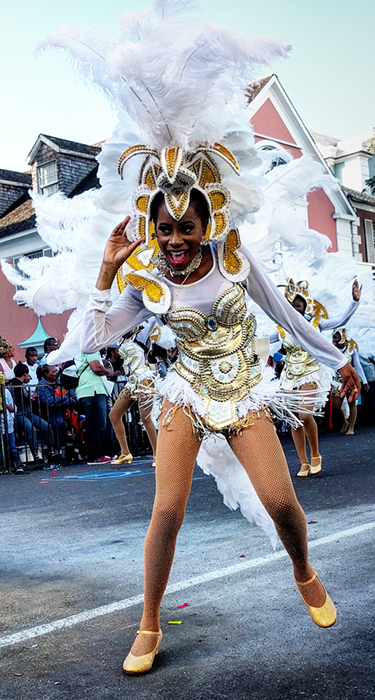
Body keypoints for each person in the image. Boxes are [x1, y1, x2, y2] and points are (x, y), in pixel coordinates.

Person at [83, 178, 359, 672]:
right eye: (164, 228)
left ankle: (302, 569)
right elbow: (91, 339)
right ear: (152, 227)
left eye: (186, 227)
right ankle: (149, 621)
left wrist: (338, 361)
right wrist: (107, 270)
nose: (174, 240)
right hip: (185, 395)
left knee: (281, 502)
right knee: (167, 510)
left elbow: (285, 317)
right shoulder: (146, 279)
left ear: (206, 225)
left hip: (243, 392)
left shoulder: (234, 260)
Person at [270, 279, 361, 475]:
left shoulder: (316, 323)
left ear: (305, 305)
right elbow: (258, 339)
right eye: (291, 304)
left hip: (311, 372)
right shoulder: (282, 327)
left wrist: (354, 302)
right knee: (294, 419)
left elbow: (341, 321)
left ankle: (316, 454)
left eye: (298, 304)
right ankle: (303, 462)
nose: (294, 308)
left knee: (305, 414)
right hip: (289, 376)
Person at [109, 327, 158, 466]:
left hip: (144, 379)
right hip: (131, 382)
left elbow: (153, 316)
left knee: (145, 417)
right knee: (114, 415)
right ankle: (125, 452)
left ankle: (158, 455)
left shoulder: (142, 334)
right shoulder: (120, 338)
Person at [76, 350, 117, 465]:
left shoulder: (88, 350)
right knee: (96, 424)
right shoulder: (90, 348)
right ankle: (95, 455)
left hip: (96, 389)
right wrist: (109, 372)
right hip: (92, 390)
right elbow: (95, 367)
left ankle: (108, 452)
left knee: (104, 423)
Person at [9, 363, 53, 462]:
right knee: (31, 429)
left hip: (27, 412)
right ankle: (36, 454)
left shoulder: (19, 384)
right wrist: (31, 397)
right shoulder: (16, 385)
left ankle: (50, 450)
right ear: (24, 374)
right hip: (19, 414)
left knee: (46, 426)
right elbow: (23, 398)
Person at [331, 329, 368, 436]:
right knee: (336, 406)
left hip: (351, 381)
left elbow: (358, 365)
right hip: (337, 382)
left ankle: (351, 427)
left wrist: (364, 380)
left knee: (352, 404)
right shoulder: (331, 350)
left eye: (336, 337)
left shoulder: (351, 349)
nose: (334, 339)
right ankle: (344, 422)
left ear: (343, 337)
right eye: (333, 337)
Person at [35, 364, 76, 453]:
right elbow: (48, 401)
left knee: (81, 420)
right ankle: (58, 448)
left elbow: (73, 396)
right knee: (60, 423)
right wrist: (65, 399)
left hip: (67, 411)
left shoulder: (60, 382)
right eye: (53, 372)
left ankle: (78, 448)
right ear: (46, 374)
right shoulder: (41, 385)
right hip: (51, 413)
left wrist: (62, 399)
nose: (56, 373)